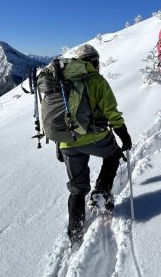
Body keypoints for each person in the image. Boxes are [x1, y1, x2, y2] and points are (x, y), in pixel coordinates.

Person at [56, 44, 132, 245]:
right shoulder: (97, 80)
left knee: (77, 188)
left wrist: (58, 145)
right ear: (95, 62)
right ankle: (101, 191)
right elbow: (111, 112)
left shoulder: (64, 81)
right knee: (113, 154)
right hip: (95, 137)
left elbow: (59, 117)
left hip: (67, 143)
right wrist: (123, 135)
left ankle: (75, 233)